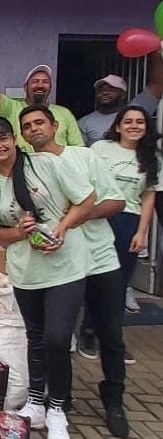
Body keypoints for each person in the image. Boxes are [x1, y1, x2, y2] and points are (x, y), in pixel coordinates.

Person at [0, 116, 94, 439]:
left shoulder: (45, 165)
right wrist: (20, 233)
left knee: (57, 337)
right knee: (36, 337)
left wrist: (61, 228)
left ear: (14, 140)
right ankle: (36, 404)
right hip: (25, 271)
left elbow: (87, 200)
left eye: (2, 138)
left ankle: (58, 409)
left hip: (65, 266)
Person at [19, 105, 130, 438]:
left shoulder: (84, 157)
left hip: (98, 260)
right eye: (27, 126)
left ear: (55, 126)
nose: (34, 129)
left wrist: (76, 212)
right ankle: (59, 400)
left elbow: (116, 202)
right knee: (55, 335)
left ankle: (114, 400)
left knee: (110, 334)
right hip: (60, 264)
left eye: (40, 122)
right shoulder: (29, 167)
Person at [90, 106, 163, 355]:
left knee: (118, 283)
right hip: (98, 217)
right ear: (118, 126)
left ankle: (112, 339)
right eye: (128, 121)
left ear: (146, 127)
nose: (134, 126)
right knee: (93, 277)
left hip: (128, 222)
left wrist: (142, 232)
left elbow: (149, 196)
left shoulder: (152, 157)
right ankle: (88, 331)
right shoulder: (101, 149)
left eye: (140, 122)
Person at [0, 36, 83, 151]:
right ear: (25, 87)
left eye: (45, 82)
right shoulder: (12, 108)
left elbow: (78, 149)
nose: (40, 85)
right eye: (35, 82)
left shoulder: (64, 113)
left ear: (50, 87)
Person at [78, 51, 163, 146]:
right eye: (100, 90)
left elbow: (158, 84)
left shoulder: (136, 110)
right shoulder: (84, 122)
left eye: (111, 89)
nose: (104, 92)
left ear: (123, 94)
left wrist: (155, 50)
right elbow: (81, 154)